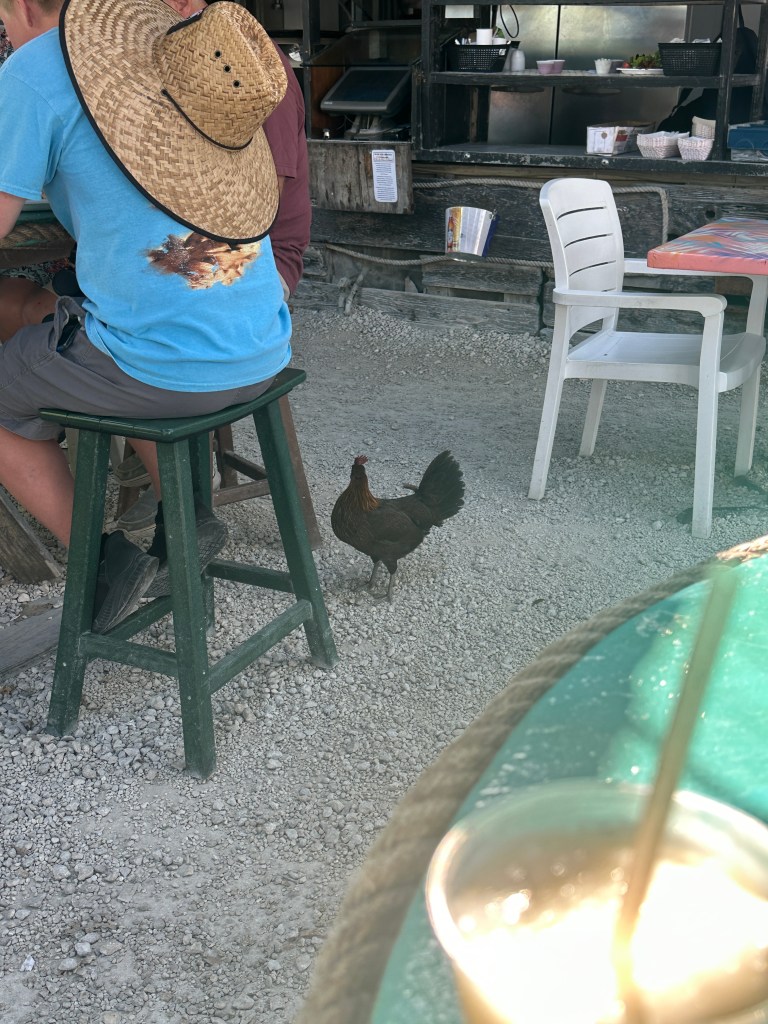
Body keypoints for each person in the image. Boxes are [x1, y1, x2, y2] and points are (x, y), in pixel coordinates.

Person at [0, 0, 292, 632]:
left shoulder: (32, 71)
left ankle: (100, 560)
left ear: (20, 7)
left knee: (34, 378)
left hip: (166, 369)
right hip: (263, 345)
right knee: (98, 329)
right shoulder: (174, 47)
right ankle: (186, 512)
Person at [115, 0, 311, 533]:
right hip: (205, 245)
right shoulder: (177, 54)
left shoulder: (245, 64)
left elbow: (252, 213)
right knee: (106, 287)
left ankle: (176, 492)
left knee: (112, 309)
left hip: (259, 256)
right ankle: (159, 440)